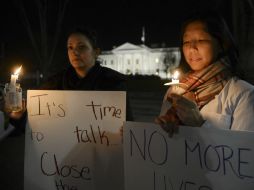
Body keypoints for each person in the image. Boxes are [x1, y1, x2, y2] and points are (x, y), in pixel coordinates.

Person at [155, 10, 254, 136]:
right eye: (186, 42)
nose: (192, 48)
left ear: (222, 44)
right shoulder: (174, 91)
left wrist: (198, 123)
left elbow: (243, 152)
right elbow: (161, 143)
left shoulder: (243, 94)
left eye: (201, 40)